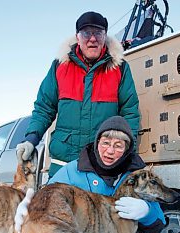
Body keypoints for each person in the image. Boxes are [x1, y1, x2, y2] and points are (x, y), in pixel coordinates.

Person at [15, 11, 140, 177]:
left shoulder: (120, 69)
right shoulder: (60, 66)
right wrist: (31, 139)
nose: (93, 39)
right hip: (64, 164)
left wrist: (126, 150)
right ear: (77, 37)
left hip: (102, 163)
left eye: (98, 33)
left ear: (105, 37)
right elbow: (44, 108)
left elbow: (130, 112)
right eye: (87, 33)